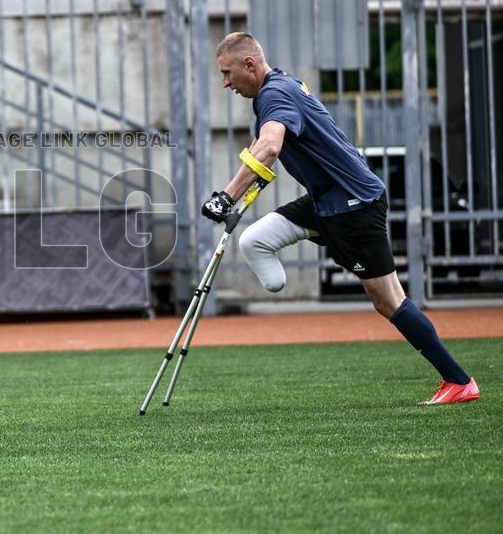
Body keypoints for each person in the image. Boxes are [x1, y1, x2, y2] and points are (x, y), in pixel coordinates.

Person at [202, 32, 478, 406]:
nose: (225, 83)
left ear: (249, 64)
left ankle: (458, 381)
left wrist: (226, 197)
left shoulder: (274, 94)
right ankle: (279, 280)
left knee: (388, 300)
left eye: (227, 72)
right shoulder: (281, 85)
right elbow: (274, 150)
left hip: (353, 205)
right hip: (326, 202)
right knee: (254, 239)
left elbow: (269, 145)